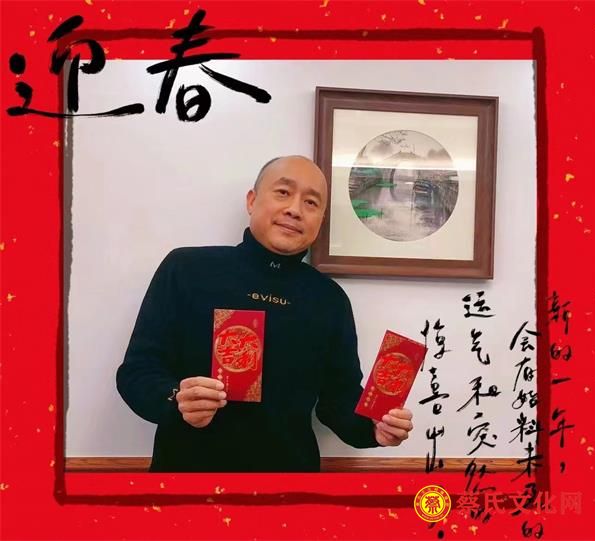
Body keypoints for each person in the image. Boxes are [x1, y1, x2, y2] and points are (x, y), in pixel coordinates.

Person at [116, 155, 414, 472]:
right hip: (187, 480)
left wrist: (375, 427)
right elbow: (136, 373)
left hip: (289, 486)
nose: (295, 209)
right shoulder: (186, 269)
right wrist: (176, 398)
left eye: (311, 202)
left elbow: (338, 401)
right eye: (283, 192)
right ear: (252, 200)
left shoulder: (329, 299)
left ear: (320, 220)